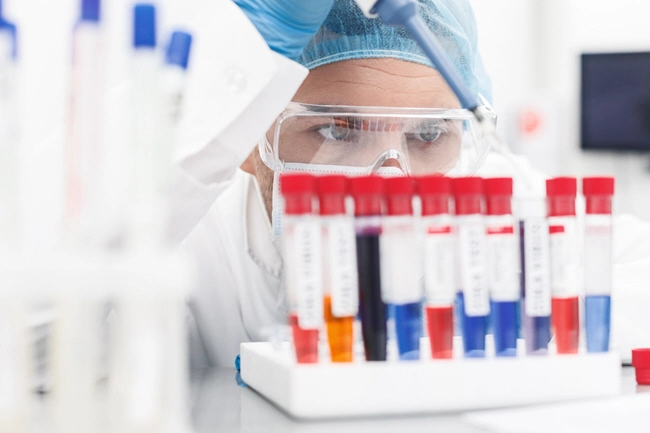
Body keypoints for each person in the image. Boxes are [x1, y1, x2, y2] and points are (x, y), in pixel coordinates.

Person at [173, 0, 650, 368]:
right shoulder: (192, 229)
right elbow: (101, 329)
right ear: (251, 141)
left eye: (427, 134)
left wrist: (508, 330)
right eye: (337, 131)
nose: (390, 182)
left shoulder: (497, 201)